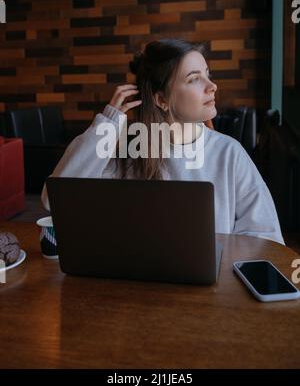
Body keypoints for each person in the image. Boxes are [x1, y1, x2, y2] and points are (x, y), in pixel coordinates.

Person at [41, 38, 284, 245]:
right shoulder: (129, 150)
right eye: (194, 79)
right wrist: (106, 124)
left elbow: (266, 236)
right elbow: (54, 200)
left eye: (208, 75)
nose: (212, 86)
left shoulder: (229, 153)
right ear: (161, 100)